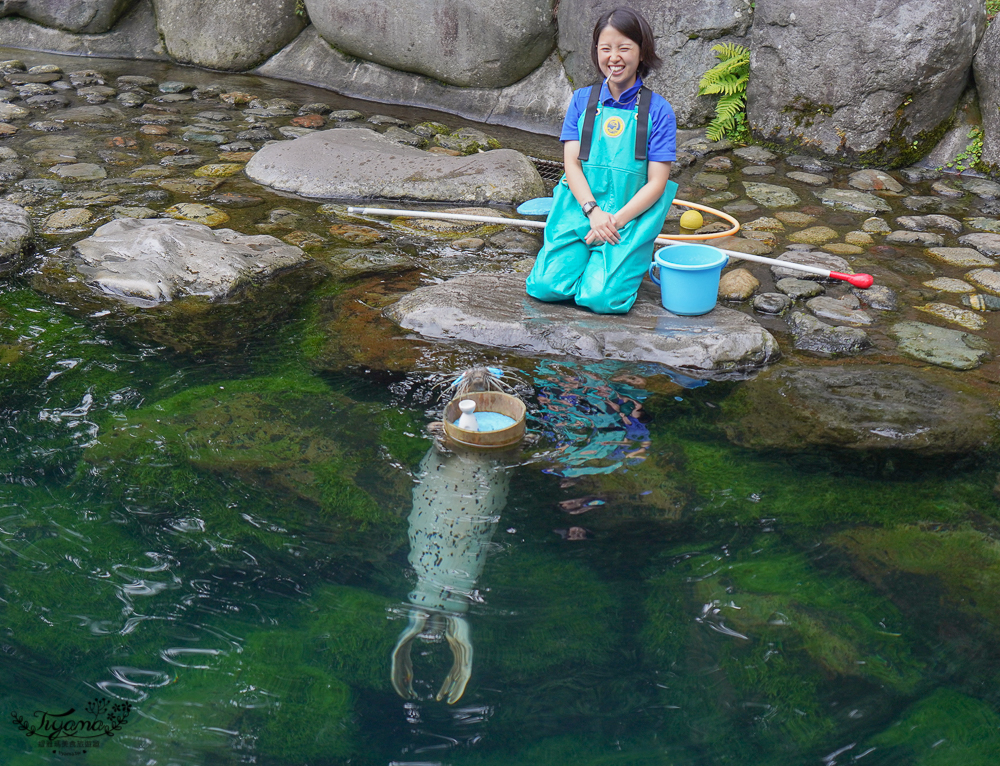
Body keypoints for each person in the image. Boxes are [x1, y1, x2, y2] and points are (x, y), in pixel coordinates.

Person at [526, 6, 678, 314]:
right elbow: (571, 164)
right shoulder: (582, 101)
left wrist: (613, 222)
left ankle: (611, 266)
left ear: (642, 51)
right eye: (605, 48)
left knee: (602, 300)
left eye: (625, 48)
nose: (614, 57)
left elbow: (657, 182)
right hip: (580, 209)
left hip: (628, 219)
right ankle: (582, 262)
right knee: (544, 287)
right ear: (596, 51)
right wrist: (592, 212)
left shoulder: (659, 111)